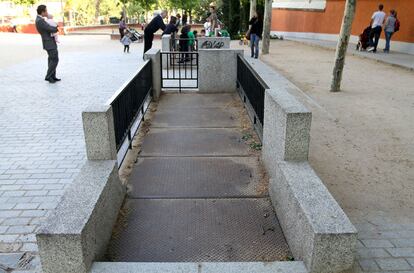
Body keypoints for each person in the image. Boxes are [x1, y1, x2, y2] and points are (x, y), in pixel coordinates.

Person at [35, 5, 60, 83]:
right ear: (42, 12)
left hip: (50, 41)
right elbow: (49, 28)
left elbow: (48, 27)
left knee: (51, 59)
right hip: (48, 42)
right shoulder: (40, 20)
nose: (47, 12)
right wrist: (56, 27)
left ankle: (52, 76)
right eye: (46, 11)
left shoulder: (41, 19)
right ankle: (48, 76)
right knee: (55, 59)